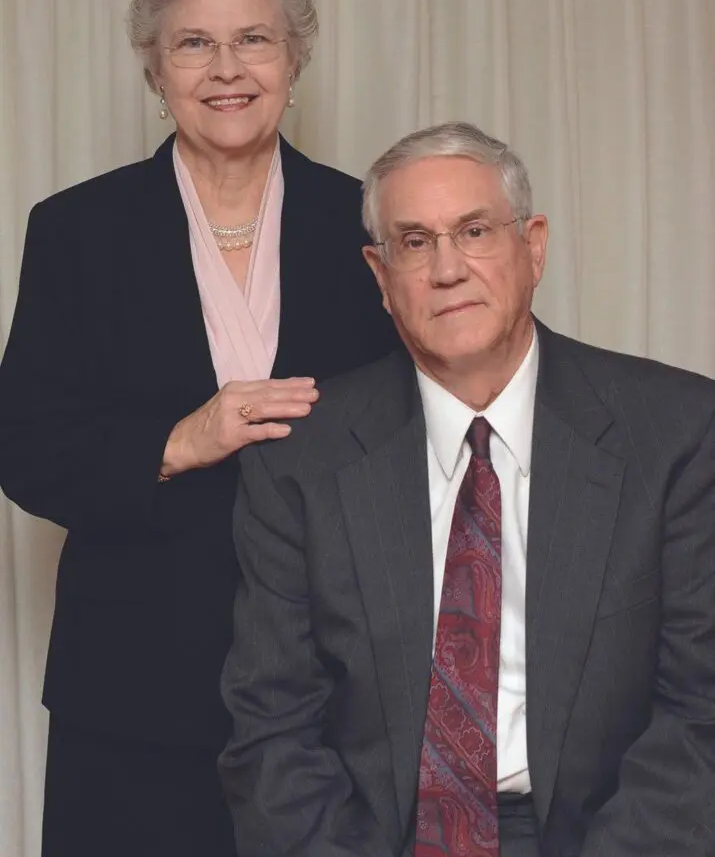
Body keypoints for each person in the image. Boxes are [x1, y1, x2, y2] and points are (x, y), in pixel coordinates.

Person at [0, 0, 398, 857]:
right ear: (154, 67)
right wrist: (180, 441)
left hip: (340, 687)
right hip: (131, 688)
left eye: (253, 39)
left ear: (295, 57)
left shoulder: (372, 224)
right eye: (194, 43)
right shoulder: (75, 230)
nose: (227, 68)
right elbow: (24, 443)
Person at [219, 121, 715, 857]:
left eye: (475, 230)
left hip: (598, 836)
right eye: (414, 243)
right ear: (381, 278)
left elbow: (700, 713)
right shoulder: (300, 462)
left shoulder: (674, 431)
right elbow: (272, 730)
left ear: (533, 246)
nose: (446, 268)